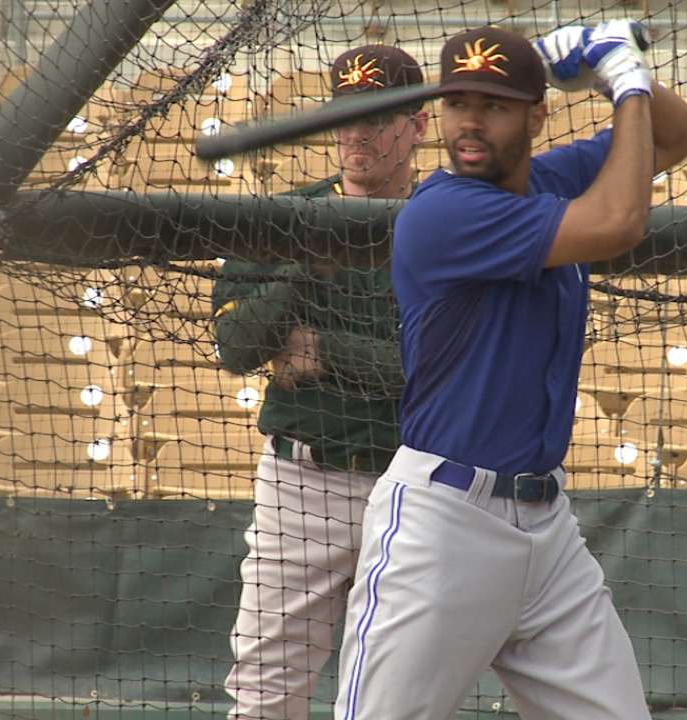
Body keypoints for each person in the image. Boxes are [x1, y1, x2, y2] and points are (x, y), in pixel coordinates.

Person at [331, 22, 687, 720]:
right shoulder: (442, 212)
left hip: (546, 530)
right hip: (444, 526)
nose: (469, 124)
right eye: (456, 104)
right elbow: (620, 220)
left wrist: (614, 64)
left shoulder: (549, 179)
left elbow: (678, 135)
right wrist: (620, 77)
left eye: (494, 107)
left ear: (536, 115)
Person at [214, 44, 427, 720]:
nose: (355, 132)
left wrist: (324, 349)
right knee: (263, 694)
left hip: (414, 487)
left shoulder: (447, 219)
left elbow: (437, 372)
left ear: (418, 124)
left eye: (377, 116)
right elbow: (237, 346)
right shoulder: (285, 216)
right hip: (300, 483)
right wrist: (304, 263)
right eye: (345, 114)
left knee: (389, 701)